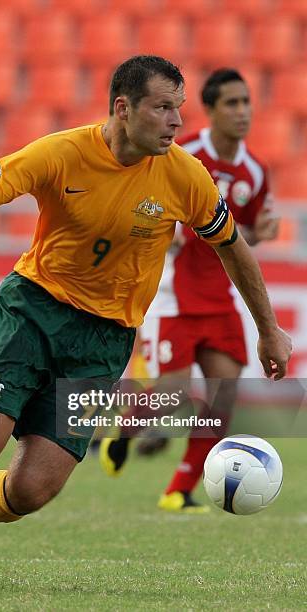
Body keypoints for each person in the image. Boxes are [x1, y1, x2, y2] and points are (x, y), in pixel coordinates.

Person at [0, 56, 291, 590]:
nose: (175, 123)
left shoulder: (185, 176)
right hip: (32, 313)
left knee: (32, 491)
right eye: (162, 108)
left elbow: (234, 249)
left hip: (103, 342)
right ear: (123, 107)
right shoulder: (61, 152)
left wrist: (269, 328)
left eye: (178, 109)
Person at [99, 68, 280, 513]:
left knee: (222, 397)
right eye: (231, 104)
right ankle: (124, 431)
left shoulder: (254, 172)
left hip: (218, 298)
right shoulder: (181, 154)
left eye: (246, 102)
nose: (242, 112)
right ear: (212, 111)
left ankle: (178, 490)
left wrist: (262, 231)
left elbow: (240, 238)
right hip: (171, 294)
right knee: (173, 394)